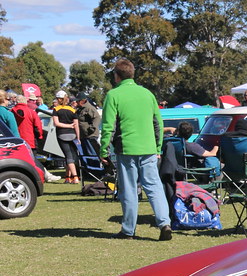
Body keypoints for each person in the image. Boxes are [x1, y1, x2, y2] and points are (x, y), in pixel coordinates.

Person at [99, 58, 173, 240]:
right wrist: (157, 146)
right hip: (148, 148)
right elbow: (158, 122)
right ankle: (165, 223)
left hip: (126, 149)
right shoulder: (148, 94)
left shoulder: (113, 95)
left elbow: (108, 126)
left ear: (116, 76)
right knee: (154, 187)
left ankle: (128, 230)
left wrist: (103, 151)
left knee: (129, 189)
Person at [52, 90, 81, 184]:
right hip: (72, 135)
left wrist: (67, 126)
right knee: (70, 155)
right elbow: (76, 125)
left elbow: (56, 123)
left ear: (59, 99)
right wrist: (78, 137)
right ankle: (67, 177)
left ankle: (75, 177)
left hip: (61, 135)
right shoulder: (72, 110)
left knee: (68, 156)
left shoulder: (56, 109)